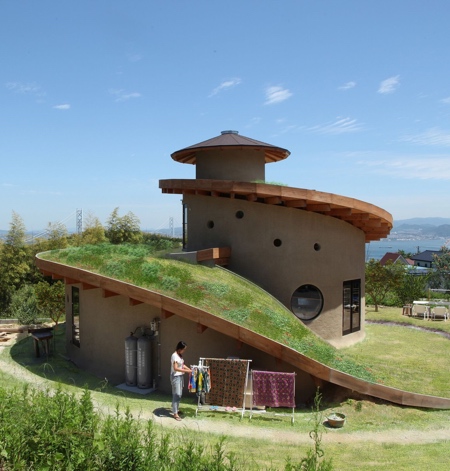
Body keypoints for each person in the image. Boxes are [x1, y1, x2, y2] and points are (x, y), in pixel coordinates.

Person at [170, 341, 192, 421]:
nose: (184, 351)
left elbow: (182, 365)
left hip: (180, 376)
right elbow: (175, 368)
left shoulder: (179, 356)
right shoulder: (174, 356)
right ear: (180, 348)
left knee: (178, 394)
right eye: (184, 349)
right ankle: (175, 414)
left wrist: (189, 369)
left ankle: (175, 409)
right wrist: (187, 371)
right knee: (177, 394)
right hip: (175, 377)